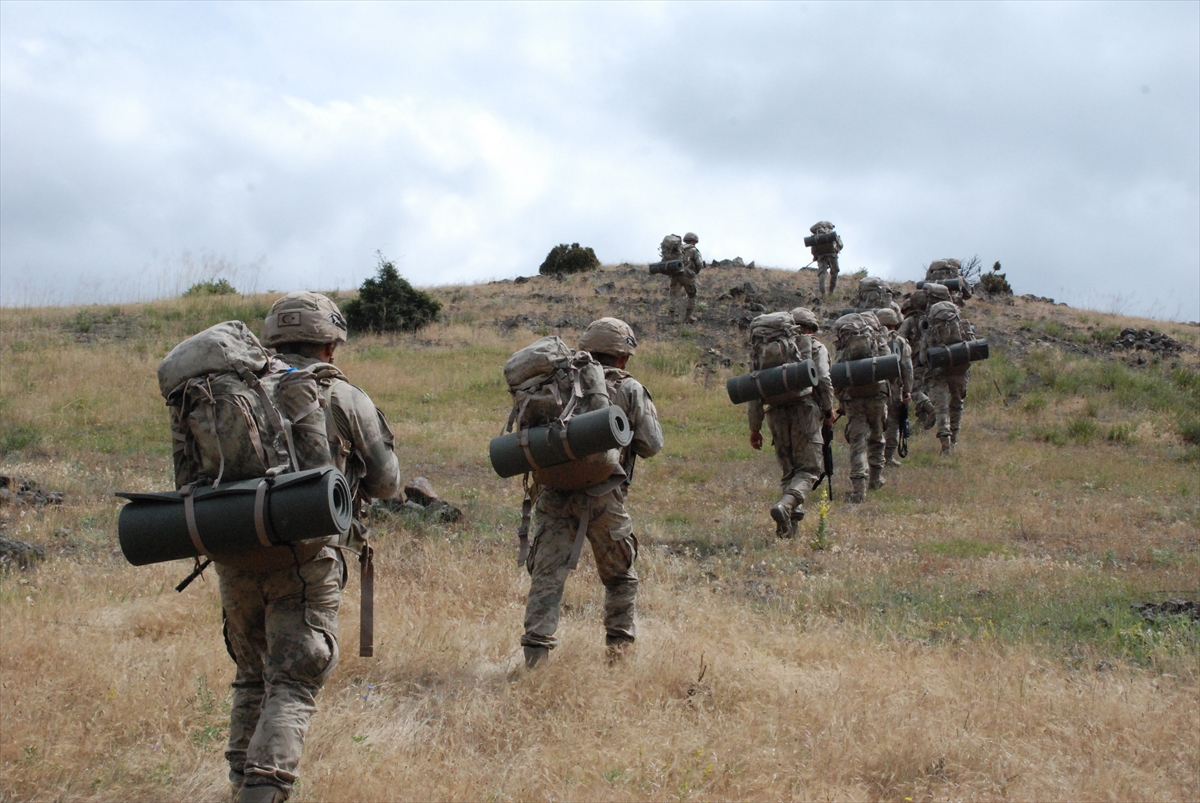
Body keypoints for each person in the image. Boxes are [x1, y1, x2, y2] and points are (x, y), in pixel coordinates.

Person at [221, 292, 401, 803]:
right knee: (294, 682)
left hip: (234, 549)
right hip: (305, 560)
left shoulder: (237, 389)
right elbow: (387, 482)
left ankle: (238, 785)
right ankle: (263, 789)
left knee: (251, 675)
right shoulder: (342, 396)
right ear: (330, 343)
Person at [521, 318, 663, 667]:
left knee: (546, 581)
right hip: (604, 499)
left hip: (553, 494)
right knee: (619, 579)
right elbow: (651, 445)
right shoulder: (629, 388)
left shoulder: (560, 382)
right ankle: (618, 660)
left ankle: (534, 666)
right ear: (624, 357)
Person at [747, 308, 835, 537]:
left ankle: (788, 531)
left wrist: (754, 428)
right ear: (809, 328)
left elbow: (754, 389)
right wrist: (828, 410)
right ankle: (784, 506)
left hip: (774, 412)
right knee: (808, 471)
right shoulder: (815, 347)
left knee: (789, 472)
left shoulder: (762, 350)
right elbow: (823, 378)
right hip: (805, 410)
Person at [831, 312, 888, 502]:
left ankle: (858, 490)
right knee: (877, 437)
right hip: (877, 396)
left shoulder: (844, 347)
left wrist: (841, 400)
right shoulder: (877, 342)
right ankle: (876, 479)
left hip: (853, 400)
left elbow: (836, 376)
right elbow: (889, 366)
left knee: (857, 444)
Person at [875, 308, 913, 467]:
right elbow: (907, 367)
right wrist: (907, 390)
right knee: (893, 422)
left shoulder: (873, 339)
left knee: (876, 422)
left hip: (876, 388)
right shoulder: (900, 341)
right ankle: (889, 457)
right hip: (895, 387)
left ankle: (874, 457)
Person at [672, 232, 703, 323]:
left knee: (674, 295)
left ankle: (672, 317)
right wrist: (694, 272)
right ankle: (688, 317)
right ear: (694, 241)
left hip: (675, 274)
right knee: (693, 294)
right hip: (687, 275)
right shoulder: (694, 250)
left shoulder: (678, 249)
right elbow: (699, 264)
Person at [809, 221, 843, 296]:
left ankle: (823, 294)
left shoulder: (817, 235)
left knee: (822, 274)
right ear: (830, 226)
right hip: (832, 255)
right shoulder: (831, 234)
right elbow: (841, 245)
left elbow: (813, 248)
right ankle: (831, 292)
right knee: (835, 271)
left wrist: (815, 257)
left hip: (821, 256)